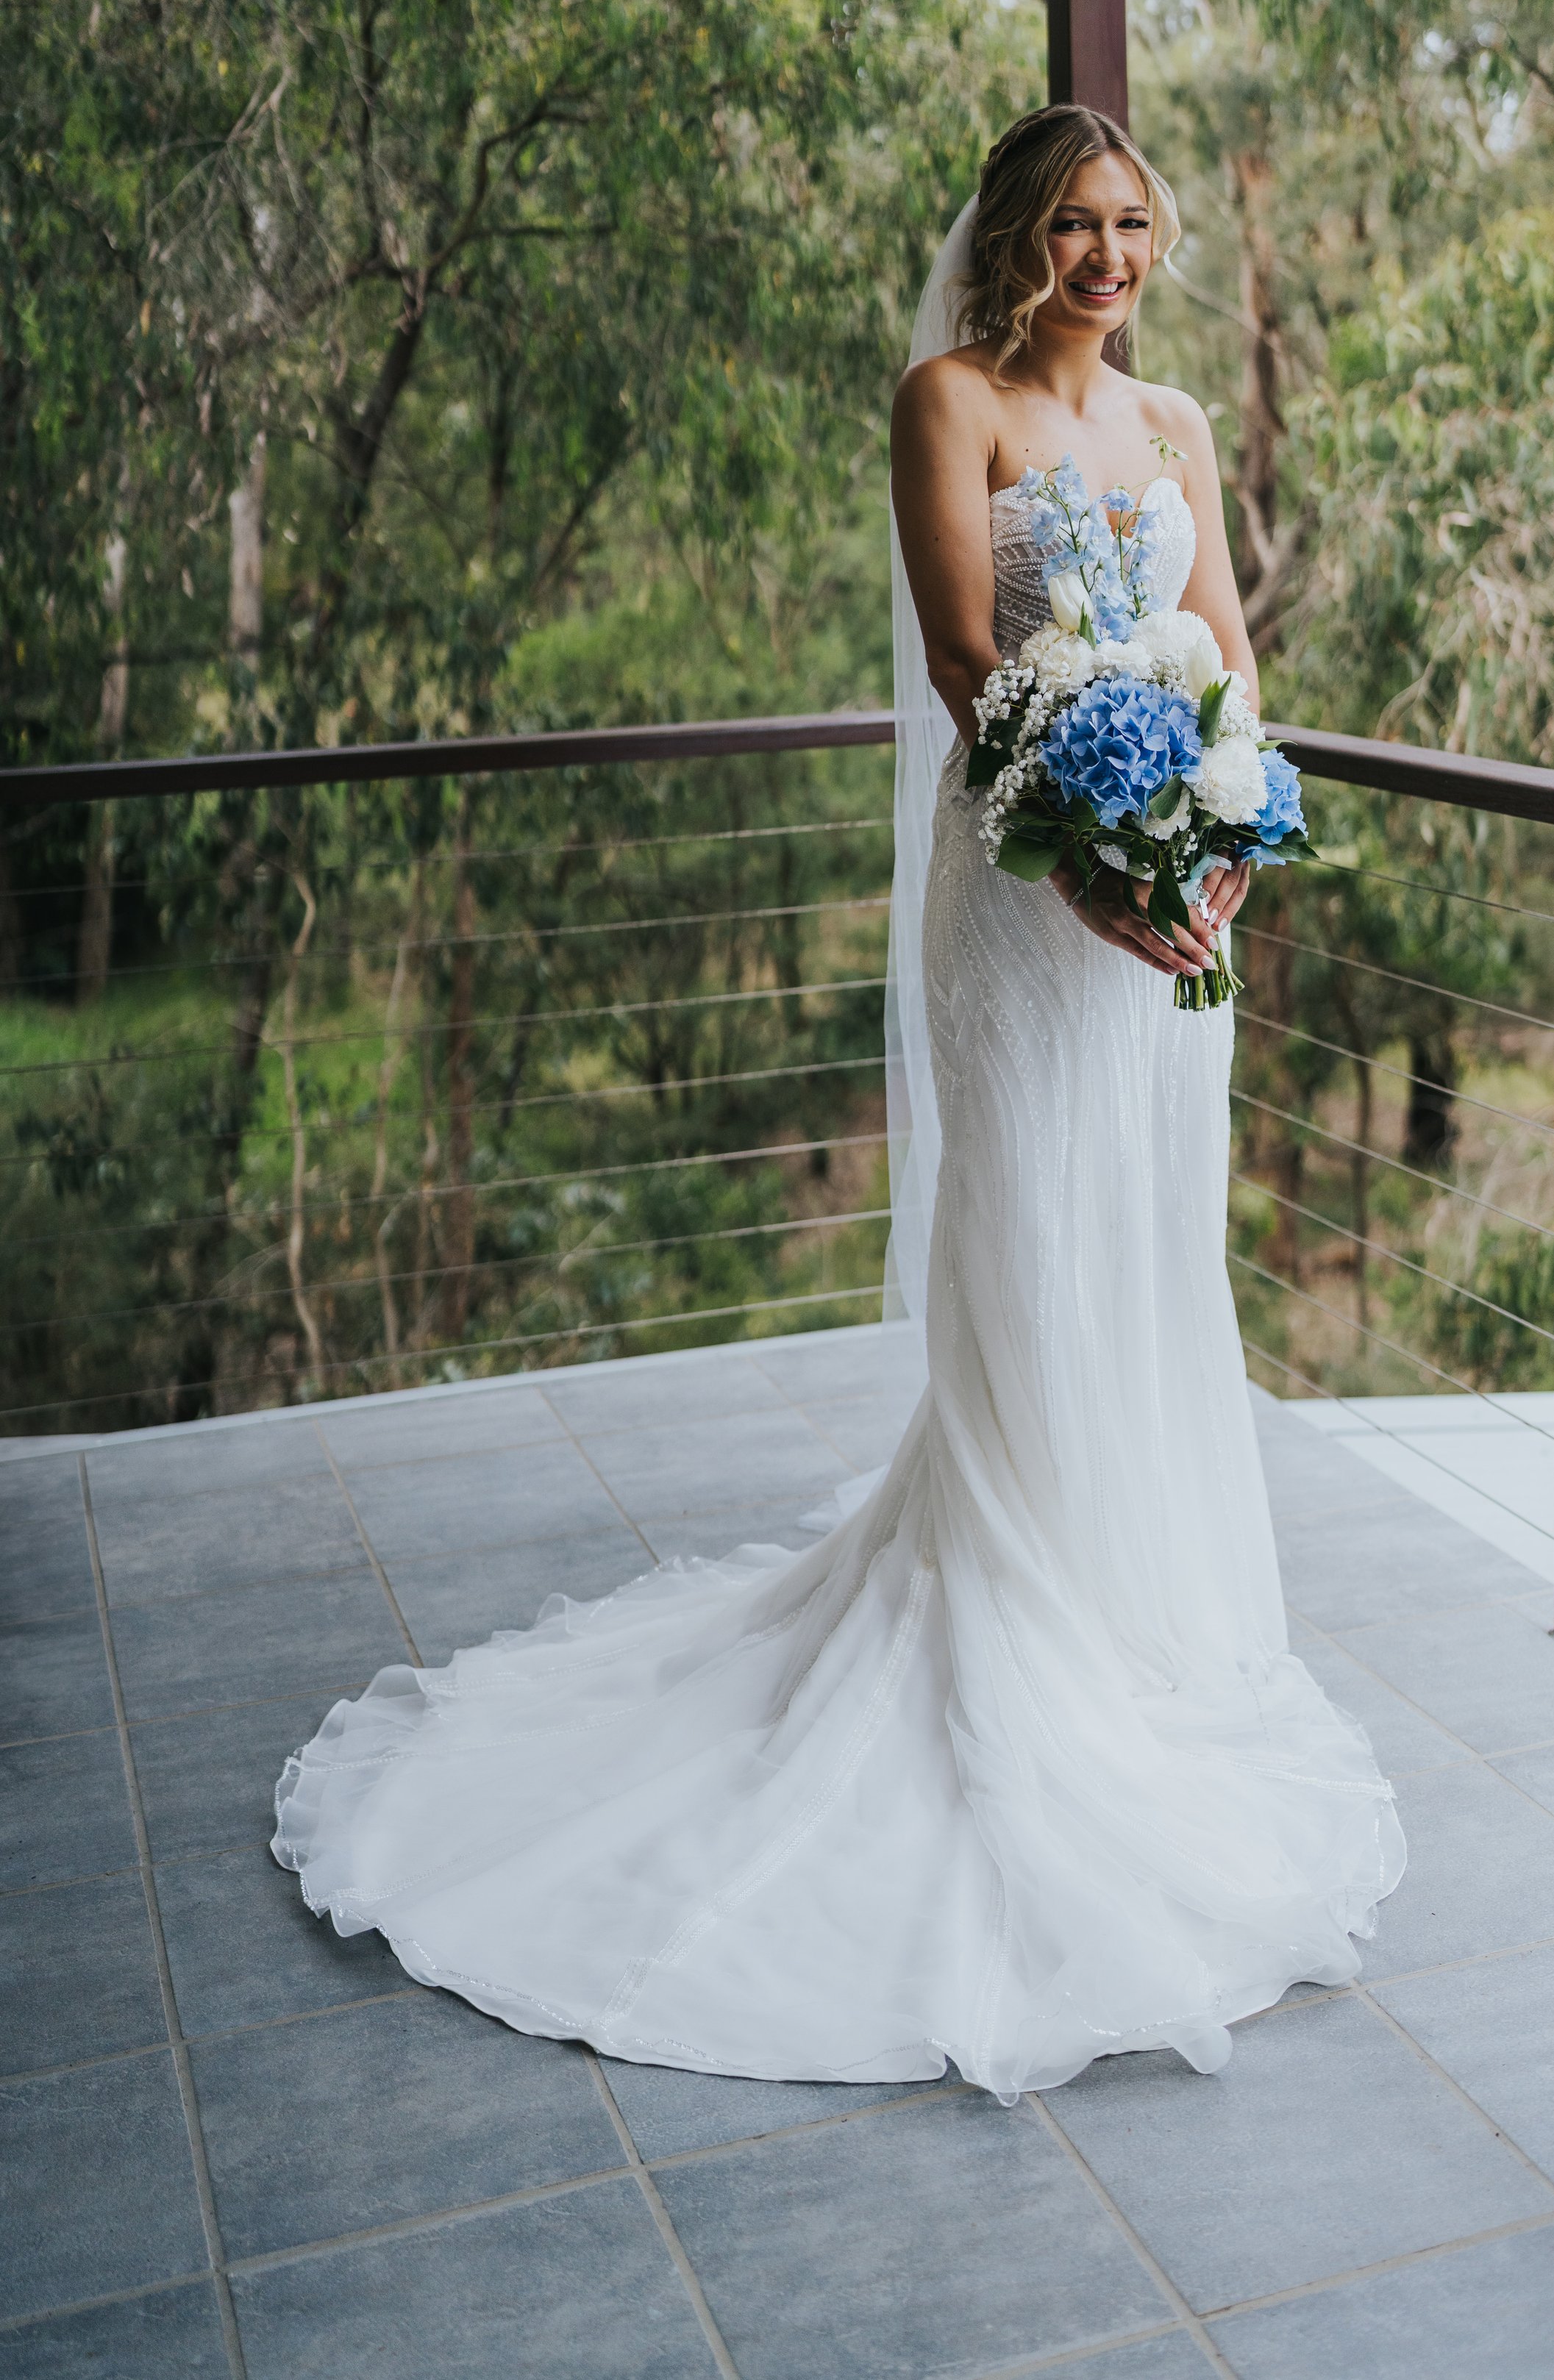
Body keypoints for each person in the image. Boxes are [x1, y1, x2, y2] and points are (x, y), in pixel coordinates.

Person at [272, 104, 1404, 2104]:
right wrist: (1094, 865)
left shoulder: (1177, 435)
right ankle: (1014, 1604)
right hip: (1032, 888)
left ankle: (1142, 1609)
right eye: (1074, 223)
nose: (1109, 259)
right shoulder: (946, 400)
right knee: (1025, 1234)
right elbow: (977, 667)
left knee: (1140, 1244)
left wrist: (1218, 845)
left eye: (1133, 226)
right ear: (1013, 235)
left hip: (1166, 904)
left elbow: (1225, 657)